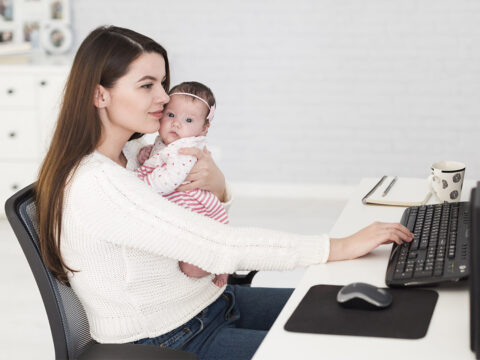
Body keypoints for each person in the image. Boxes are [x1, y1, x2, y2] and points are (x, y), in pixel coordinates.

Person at [35, 25, 413, 360]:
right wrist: (339, 246)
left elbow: (196, 203)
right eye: (147, 85)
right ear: (100, 95)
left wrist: (219, 185)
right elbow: (218, 246)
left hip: (212, 302)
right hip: (175, 339)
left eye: (163, 83)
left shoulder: (136, 155)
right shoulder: (96, 183)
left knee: (364, 317)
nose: (165, 98)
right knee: (345, 350)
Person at [135, 81, 229, 287]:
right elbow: (159, 157)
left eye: (188, 120)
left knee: (192, 267)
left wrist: (139, 184)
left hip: (192, 209)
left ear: (204, 128)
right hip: (177, 210)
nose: (176, 124)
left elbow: (166, 181)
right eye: (170, 115)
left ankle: (220, 264)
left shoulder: (186, 150)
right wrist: (147, 155)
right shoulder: (167, 142)